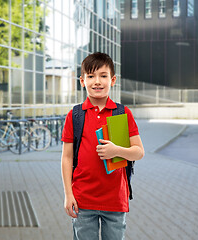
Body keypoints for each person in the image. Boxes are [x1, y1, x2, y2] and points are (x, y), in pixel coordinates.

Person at [61, 52, 145, 240]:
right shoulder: (74, 116)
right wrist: (68, 194)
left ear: (113, 80)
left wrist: (116, 151)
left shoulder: (122, 113)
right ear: (82, 81)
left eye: (103, 75)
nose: (97, 81)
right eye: (91, 76)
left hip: (115, 200)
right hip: (82, 199)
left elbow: (139, 152)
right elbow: (67, 158)